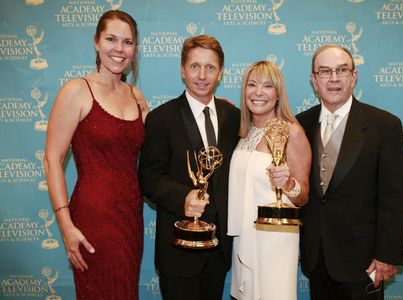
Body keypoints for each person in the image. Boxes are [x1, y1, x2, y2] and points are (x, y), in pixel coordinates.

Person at [44, 10, 149, 299]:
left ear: (135, 49)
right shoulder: (77, 90)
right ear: (96, 41)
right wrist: (66, 226)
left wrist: (208, 108)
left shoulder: (136, 96)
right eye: (111, 39)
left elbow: (160, 144)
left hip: (130, 217)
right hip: (93, 219)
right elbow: (52, 158)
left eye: (127, 42)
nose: (119, 49)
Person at [296, 44, 403, 300]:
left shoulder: (384, 126)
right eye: (324, 71)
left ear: (354, 77)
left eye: (342, 70)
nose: (334, 79)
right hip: (317, 257)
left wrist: (387, 255)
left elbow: (395, 198)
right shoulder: (299, 124)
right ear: (314, 81)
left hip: (365, 259)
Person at [138, 34, 240, 300]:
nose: (202, 75)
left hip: (219, 248)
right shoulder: (162, 118)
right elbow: (148, 178)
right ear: (183, 70)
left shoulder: (234, 117)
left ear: (220, 73)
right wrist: (182, 197)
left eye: (210, 67)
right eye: (195, 66)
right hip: (179, 248)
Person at [228, 61, 311, 300]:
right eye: (252, 85)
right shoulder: (244, 133)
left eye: (267, 86)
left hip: (275, 239)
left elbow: (303, 196)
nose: (258, 92)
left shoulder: (291, 132)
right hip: (244, 234)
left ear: (278, 94)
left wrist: (287, 184)